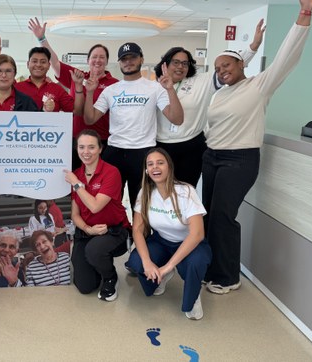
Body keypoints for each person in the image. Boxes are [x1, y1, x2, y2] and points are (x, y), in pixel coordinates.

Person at [202, 0, 312, 295]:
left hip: (239, 160)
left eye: (227, 65)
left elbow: (286, 57)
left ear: (242, 65)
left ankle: (228, 276)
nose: (222, 71)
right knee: (209, 214)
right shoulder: (220, 93)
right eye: (218, 68)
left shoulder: (259, 86)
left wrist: (304, 15)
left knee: (224, 217)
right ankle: (211, 268)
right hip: (212, 157)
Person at [153, 21, 265, 186]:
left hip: (191, 146)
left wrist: (254, 46)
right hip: (161, 146)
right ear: (165, 64)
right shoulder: (154, 87)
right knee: (160, 190)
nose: (180, 67)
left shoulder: (202, 81)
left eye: (185, 63)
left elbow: (231, 65)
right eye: (175, 62)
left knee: (186, 191)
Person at [84, 43, 184, 208]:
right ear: (119, 63)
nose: (128, 62)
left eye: (133, 57)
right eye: (124, 59)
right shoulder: (111, 90)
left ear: (141, 59)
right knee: (109, 203)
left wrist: (170, 89)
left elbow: (177, 119)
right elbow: (90, 119)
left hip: (142, 152)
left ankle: (140, 234)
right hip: (114, 151)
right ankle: (117, 233)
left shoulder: (155, 88)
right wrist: (89, 92)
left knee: (140, 204)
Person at [126, 148, 212, 320]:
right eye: (150, 164)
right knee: (136, 261)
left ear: (169, 166)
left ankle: (192, 296)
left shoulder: (186, 191)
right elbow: (137, 229)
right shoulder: (145, 193)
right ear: (146, 170)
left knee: (196, 263)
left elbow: (197, 234)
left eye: (160, 162)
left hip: (189, 243)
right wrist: (147, 261)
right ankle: (160, 277)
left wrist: (169, 265)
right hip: (161, 242)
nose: (155, 167)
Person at [64, 129, 130, 301]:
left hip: (112, 231)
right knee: (85, 286)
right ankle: (96, 264)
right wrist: (88, 229)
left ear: (100, 149)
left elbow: (95, 207)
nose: (86, 152)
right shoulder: (77, 174)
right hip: (87, 232)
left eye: (91, 147)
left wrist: (77, 185)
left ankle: (110, 277)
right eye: (81, 147)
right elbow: (75, 214)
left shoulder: (111, 172)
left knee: (94, 250)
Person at [29, 18, 118, 144]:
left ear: (107, 62)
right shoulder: (77, 76)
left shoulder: (115, 84)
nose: (97, 60)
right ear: (88, 60)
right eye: (94, 57)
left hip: (102, 140)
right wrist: (42, 39)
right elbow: (54, 62)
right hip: (74, 138)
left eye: (102, 57)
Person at [14, 47, 83, 114]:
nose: (38, 65)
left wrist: (78, 85)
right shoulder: (16, 88)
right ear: (28, 64)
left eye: (43, 62)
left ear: (49, 65)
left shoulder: (57, 90)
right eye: (34, 61)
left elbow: (77, 111)